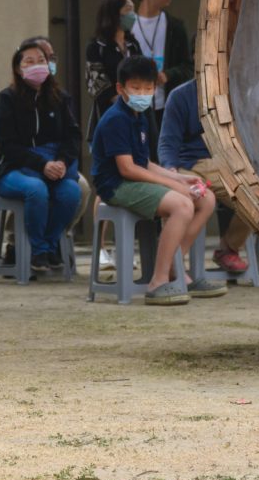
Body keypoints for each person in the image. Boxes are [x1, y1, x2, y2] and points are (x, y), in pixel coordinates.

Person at [90, 55, 221, 305]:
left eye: (148, 88)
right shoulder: (116, 118)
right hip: (116, 185)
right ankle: (158, 281)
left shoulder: (139, 115)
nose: (143, 93)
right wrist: (173, 185)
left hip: (133, 178)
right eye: (136, 88)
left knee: (206, 199)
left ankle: (174, 266)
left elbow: (145, 163)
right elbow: (127, 169)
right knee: (182, 206)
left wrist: (179, 178)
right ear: (121, 88)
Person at [0, 36, 83, 277]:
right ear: (18, 69)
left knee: (72, 192)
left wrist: (62, 161)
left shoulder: (60, 98)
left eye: (41, 60)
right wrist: (42, 165)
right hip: (12, 169)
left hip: (53, 166)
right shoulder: (7, 99)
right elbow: (7, 144)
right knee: (36, 190)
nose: (37, 65)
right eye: (29, 61)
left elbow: (73, 136)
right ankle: (38, 251)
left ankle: (49, 246)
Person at [158, 74, 250, 278]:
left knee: (257, 196)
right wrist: (170, 168)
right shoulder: (180, 95)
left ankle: (229, 247)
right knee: (181, 197)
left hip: (227, 164)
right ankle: (174, 263)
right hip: (189, 164)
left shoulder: (235, 93)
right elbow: (168, 140)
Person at [124, 0, 195, 89]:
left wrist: (167, 75)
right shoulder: (127, 27)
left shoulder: (175, 27)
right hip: (135, 101)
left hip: (165, 103)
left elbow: (188, 67)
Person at [84, 0, 133, 117]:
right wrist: (121, 100)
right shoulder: (97, 47)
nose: (133, 15)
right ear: (114, 13)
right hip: (109, 112)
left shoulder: (133, 45)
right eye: (128, 10)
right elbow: (96, 82)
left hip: (136, 108)